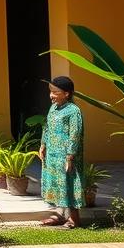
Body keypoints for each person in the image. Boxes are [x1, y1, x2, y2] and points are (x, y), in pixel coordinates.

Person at [39, 76, 85, 228]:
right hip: (52, 154)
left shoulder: (73, 111)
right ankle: (59, 215)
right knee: (56, 183)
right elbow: (47, 126)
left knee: (69, 183)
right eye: (50, 92)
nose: (51, 95)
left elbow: (75, 134)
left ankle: (74, 218)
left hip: (66, 156)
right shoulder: (53, 108)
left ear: (67, 93)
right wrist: (43, 144)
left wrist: (70, 156)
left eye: (55, 92)